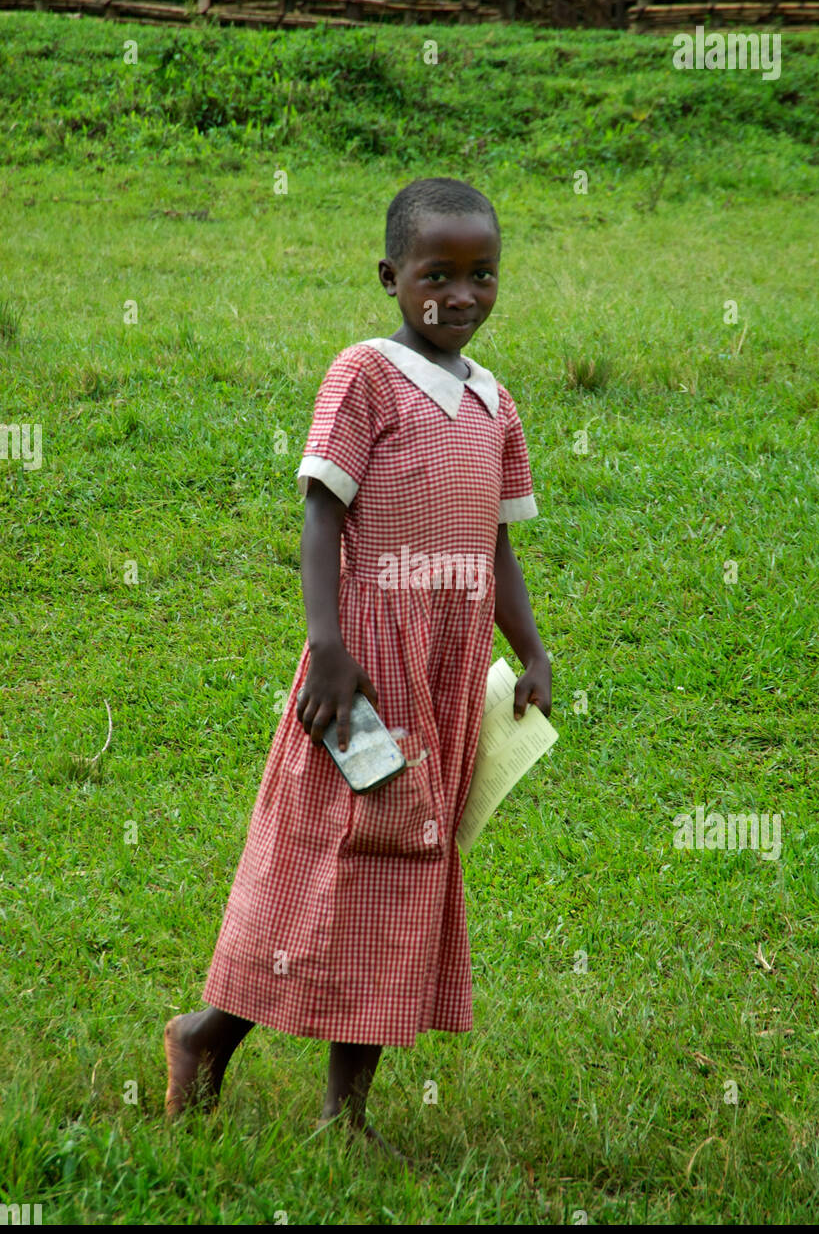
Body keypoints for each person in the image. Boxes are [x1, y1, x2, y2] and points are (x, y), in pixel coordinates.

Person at [163, 176, 552, 1165]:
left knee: (407, 874)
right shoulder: (365, 375)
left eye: (481, 275)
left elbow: (497, 545)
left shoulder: (494, 401)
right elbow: (321, 512)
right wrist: (329, 646)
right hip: (367, 671)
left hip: (452, 674)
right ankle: (208, 1034)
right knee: (326, 862)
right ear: (391, 278)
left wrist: (532, 648)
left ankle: (345, 1115)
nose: (459, 295)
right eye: (436, 275)